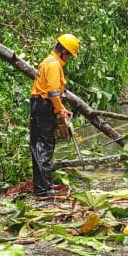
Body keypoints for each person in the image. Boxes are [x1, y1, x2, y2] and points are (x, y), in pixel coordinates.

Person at [29, 34, 79, 198]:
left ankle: (42, 186)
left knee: (38, 144)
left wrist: (61, 108)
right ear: (64, 50)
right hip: (44, 106)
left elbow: (51, 92)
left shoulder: (47, 62)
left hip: (39, 104)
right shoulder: (54, 65)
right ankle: (44, 189)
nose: (70, 58)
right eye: (70, 54)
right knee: (45, 146)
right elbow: (52, 92)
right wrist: (58, 110)